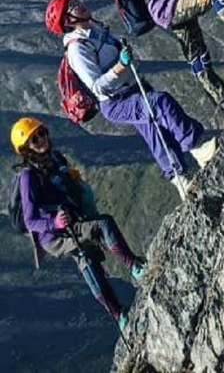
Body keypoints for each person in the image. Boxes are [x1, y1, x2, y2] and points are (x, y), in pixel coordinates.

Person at [44, 0, 215, 195]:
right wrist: (121, 65)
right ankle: (197, 148)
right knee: (161, 103)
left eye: (75, 2)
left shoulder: (95, 30)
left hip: (131, 86)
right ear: (67, 21)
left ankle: (180, 180)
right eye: (72, 7)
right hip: (115, 101)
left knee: (153, 129)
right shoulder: (77, 50)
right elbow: (97, 87)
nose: (79, 4)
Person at [10, 114, 145, 332]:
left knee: (88, 260)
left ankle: (120, 315)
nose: (41, 139)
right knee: (103, 226)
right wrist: (54, 222)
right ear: (25, 149)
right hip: (53, 235)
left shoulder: (54, 159)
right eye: (34, 139)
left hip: (71, 220)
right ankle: (135, 267)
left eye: (42, 133)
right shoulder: (28, 177)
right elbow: (30, 220)